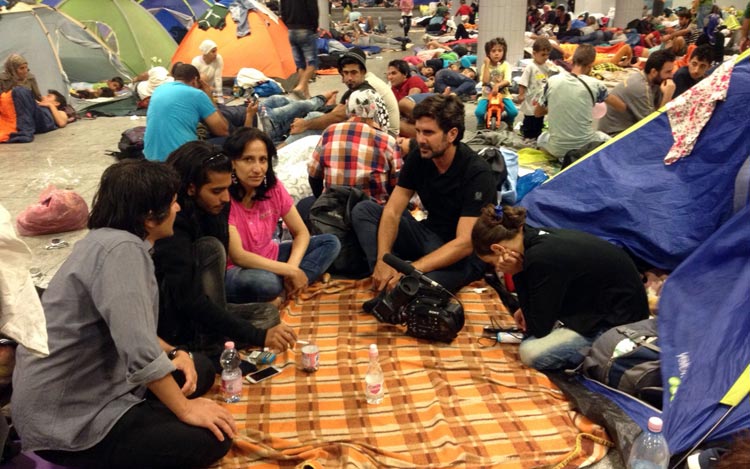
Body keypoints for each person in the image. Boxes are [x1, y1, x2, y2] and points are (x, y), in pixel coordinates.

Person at [11, 160, 235, 469]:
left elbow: (130, 326)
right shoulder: (122, 252)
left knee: (198, 368)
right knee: (213, 439)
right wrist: (185, 410)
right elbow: (138, 349)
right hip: (68, 422)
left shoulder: (105, 240)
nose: (178, 209)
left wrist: (175, 352)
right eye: (172, 202)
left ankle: (148, 413)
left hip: (95, 387)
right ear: (149, 217)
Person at [154, 141, 298, 364]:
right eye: (216, 191)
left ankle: (217, 338)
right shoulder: (171, 221)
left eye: (227, 188)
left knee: (268, 314)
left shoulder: (218, 205)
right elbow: (188, 299)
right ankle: (211, 345)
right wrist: (259, 336)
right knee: (211, 248)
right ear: (191, 188)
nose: (225, 198)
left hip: (205, 304)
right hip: (176, 314)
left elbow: (214, 292)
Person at [471, 204, 649, 371]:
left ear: (497, 249)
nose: (498, 269)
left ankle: (596, 354)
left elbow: (538, 329)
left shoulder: (540, 257)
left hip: (619, 325)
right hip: (602, 305)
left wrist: (517, 272)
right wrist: (527, 309)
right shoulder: (533, 236)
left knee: (531, 352)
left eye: (493, 263)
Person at [351, 94, 496, 294]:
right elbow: (392, 211)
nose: (420, 139)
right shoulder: (419, 158)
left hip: (463, 255)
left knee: (412, 290)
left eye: (428, 132)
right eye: (418, 131)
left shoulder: (477, 173)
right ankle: (385, 274)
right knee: (364, 210)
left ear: (452, 134)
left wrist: (412, 269)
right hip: (429, 236)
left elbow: (465, 243)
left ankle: (401, 277)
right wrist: (383, 259)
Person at [223, 128, 341, 303]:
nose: (257, 168)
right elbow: (239, 256)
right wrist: (290, 271)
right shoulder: (224, 197)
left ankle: (285, 290)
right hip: (237, 269)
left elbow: (301, 232)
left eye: (263, 160)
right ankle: (291, 285)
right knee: (266, 283)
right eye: (248, 159)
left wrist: (291, 268)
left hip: (271, 256)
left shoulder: (273, 188)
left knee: (330, 242)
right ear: (233, 163)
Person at [300, 88, 401, 220]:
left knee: (304, 205)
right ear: (378, 110)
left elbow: (314, 177)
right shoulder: (388, 141)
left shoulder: (330, 132)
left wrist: (322, 202)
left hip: (333, 214)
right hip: (371, 217)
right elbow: (398, 187)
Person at [535, 44, 626, 160]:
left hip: (556, 149)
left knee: (542, 138)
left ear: (572, 61)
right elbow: (621, 107)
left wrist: (558, 105)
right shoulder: (595, 85)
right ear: (590, 65)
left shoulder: (552, 81)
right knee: (605, 138)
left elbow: (537, 113)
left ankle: (557, 157)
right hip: (584, 148)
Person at [288, 48, 399, 141]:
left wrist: (306, 124)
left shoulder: (365, 90)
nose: (349, 78)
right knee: (309, 113)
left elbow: (338, 116)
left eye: (353, 72)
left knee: (313, 120)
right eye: (346, 73)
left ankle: (280, 154)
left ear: (362, 72)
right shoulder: (360, 83)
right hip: (371, 131)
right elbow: (339, 111)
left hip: (385, 136)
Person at [144, 63, 228, 162]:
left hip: (150, 157)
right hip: (181, 159)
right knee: (229, 141)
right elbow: (222, 131)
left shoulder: (159, 90)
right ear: (195, 80)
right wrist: (209, 97)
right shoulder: (197, 94)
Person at [598, 49, 676, 136]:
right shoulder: (641, 89)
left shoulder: (654, 80)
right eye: (668, 72)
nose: (671, 75)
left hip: (628, 127)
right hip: (614, 135)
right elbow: (654, 126)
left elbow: (658, 111)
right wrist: (667, 95)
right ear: (654, 72)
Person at [516, 37, 557, 140]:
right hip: (531, 100)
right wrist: (521, 94)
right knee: (529, 120)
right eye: (543, 55)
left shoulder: (547, 66)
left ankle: (537, 136)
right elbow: (523, 82)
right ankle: (526, 134)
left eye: (547, 55)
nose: (545, 57)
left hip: (541, 100)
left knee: (539, 120)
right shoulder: (530, 67)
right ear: (534, 53)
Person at [475, 37, 519, 130]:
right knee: (479, 112)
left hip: (503, 94)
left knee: (513, 112)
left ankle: (509, 122)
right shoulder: (485, 66)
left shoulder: (505, 65)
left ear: (504, 52)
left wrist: (498, 85)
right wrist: (487, 64)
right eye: (493, 51)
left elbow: (507, 80)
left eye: (500, 51)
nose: (497, 53)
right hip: (487, 95)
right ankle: (480, 122)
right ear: (488, 53)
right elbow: (485, 81)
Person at [281, 0, 319, 99]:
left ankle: (306, 95)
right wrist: (314, 27)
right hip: (305, 29)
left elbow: (283, 11)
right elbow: (313, 10)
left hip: (291, 30)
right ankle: (301, 86)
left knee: (301, 65)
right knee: (312, 63)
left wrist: (288, 24)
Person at [192, 39, 225, 104]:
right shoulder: (195, 62)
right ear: (205, 53)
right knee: (202, 76)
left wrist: (219, 94)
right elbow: (194, 81)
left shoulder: (218, 58)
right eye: (213, 52)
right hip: (199, 88)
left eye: (216, 51)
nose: (215, 54)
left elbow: (218, 78)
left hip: (212, 89)